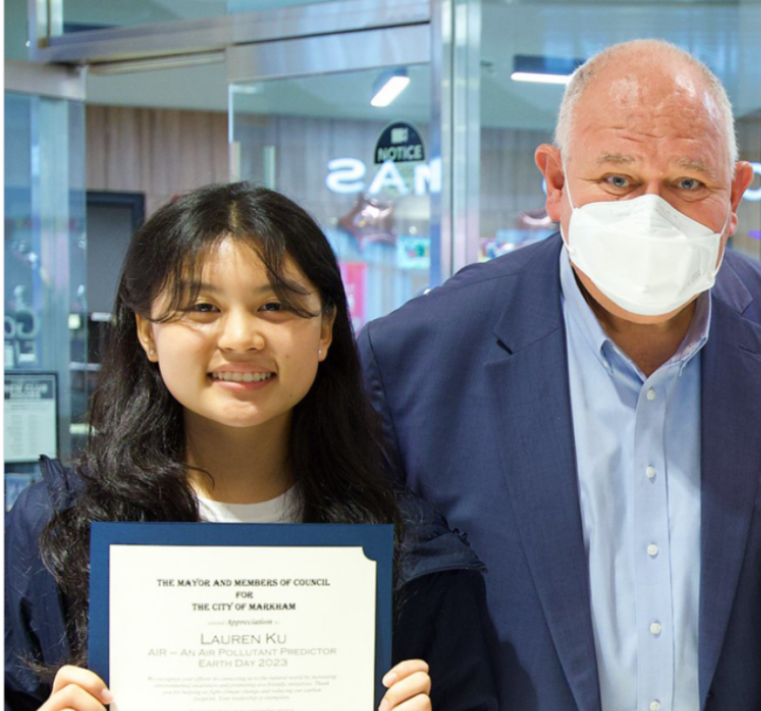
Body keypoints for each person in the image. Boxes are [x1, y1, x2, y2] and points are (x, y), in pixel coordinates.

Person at [358, 39, 761, 711]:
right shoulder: (417, 360)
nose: (651, 213)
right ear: (556, 183)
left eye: (688, 183)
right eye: (617, 180)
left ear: (735, 194)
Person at [5, 183, 497, 711]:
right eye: (201, 306)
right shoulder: (56, 532)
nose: (241, 337)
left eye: (274, 304)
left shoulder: (414, 553)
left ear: (326, 327)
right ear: (147, 332)